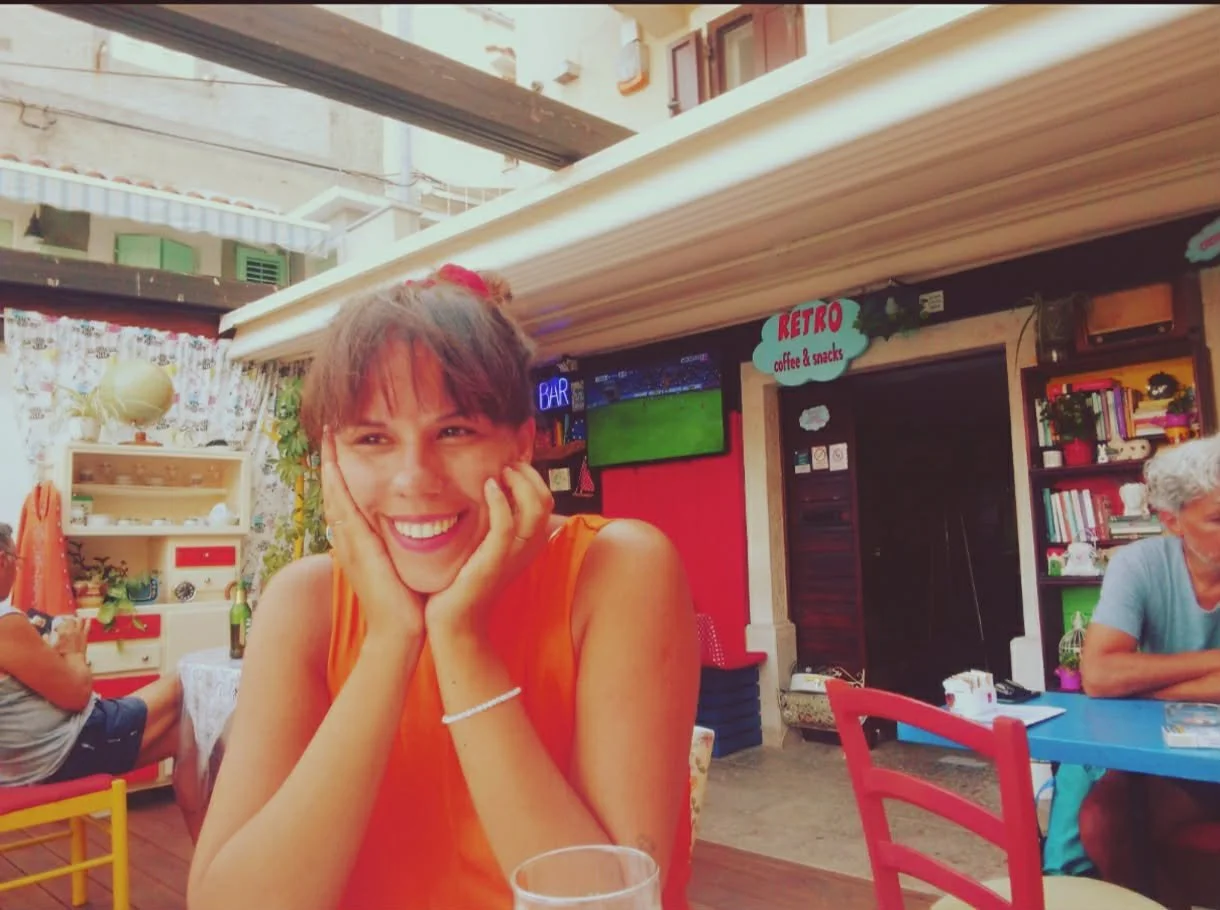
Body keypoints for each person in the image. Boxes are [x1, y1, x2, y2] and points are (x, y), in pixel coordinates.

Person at [187, 265, 701, 910]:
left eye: (454, 432)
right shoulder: (305, 604)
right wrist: (391, 640)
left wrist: (459, 637)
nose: (414, 478)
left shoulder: (615, 571)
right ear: (331, 459)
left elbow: (611, 906)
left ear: (522, 443)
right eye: (372, 438)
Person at [1078, 434, 1220, 904]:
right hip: (1165, 759)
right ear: (1171, 521)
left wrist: (1145, 686)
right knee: (1103, 820)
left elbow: (1116, 678)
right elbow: (1098, 675)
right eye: (1218, 519)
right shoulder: (1139, 564)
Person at [0, 522, 183, 786]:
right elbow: (77, 695)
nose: (17, 570)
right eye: (16, 561)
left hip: (23, 764)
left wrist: (51, 656)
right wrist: (74, 651)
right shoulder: (5, 623)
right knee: (188, 682)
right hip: (65, 749)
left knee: (187, 735)